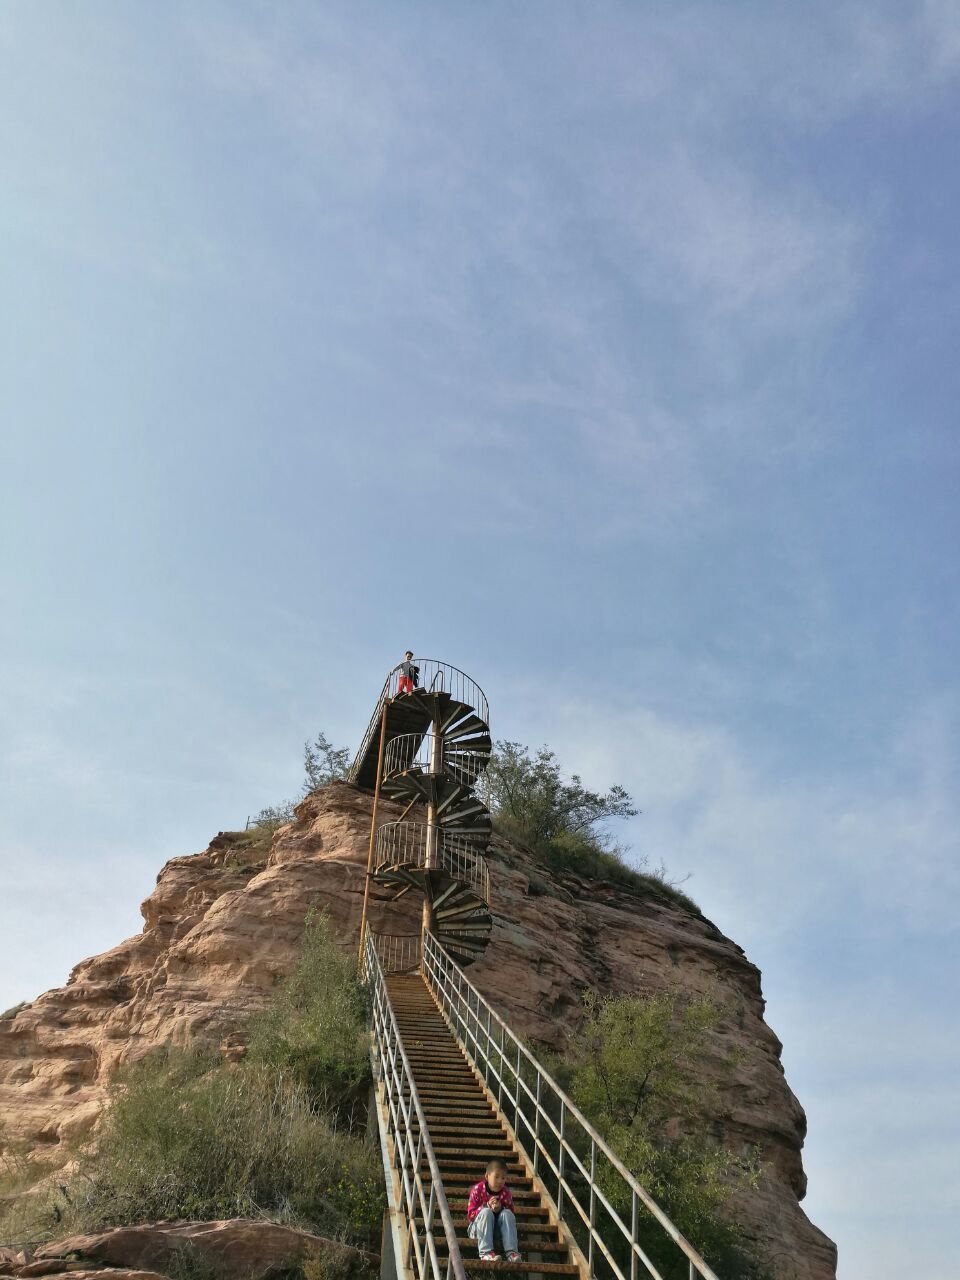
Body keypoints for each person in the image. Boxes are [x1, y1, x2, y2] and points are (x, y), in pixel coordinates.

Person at [466, 1158, 521, 1263]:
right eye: (496, 1177)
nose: (500, 1181)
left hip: (498, 1232)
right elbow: (470, 1216)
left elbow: (511, 1214)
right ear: (487, 1176)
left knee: (507, 1214)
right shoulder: (478, 1190)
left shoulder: (506, 1192)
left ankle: (512, 1253)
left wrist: (501, 1209)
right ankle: (486, 1253)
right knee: (486, 1212)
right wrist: (486, 1206)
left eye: (503, 1178)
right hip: (477, 1230)